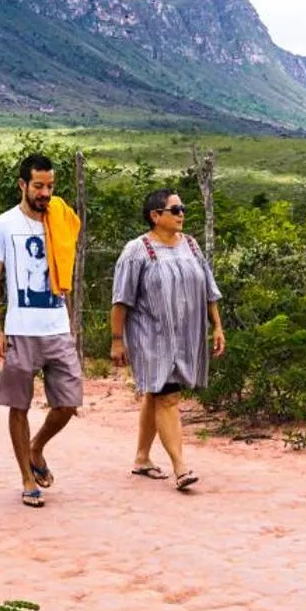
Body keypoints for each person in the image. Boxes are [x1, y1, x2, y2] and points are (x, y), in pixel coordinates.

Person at [0, 153, 84, 507]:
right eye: (39, 186)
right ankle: (27, 479)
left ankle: (36, 447)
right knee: (19, 404)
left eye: (51, 186)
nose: (45, 193)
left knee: (69, 402)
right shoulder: (4, 225)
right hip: (21, 328)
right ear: (22, 185)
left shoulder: (59, 218)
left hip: (57, 325)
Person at [110, 187, 224, 491]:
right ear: (155, 216)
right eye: (175, 210)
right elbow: (121, 300)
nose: (182, 214)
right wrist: (117, 339)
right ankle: (181, 467)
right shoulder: (137, 251)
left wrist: (217, 326)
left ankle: (142, 458)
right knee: (167, 396)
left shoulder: (191, 245)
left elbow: (209, 289)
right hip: (152, 336)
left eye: (182, 209)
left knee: (155, 392)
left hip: (185, 336)